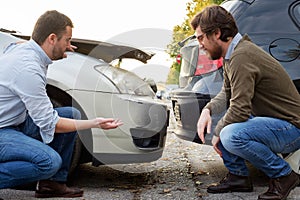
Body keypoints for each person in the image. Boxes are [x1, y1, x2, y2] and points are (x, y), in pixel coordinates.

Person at [0, 10, 123, 198]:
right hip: (3, 130)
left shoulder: (24, 49)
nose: (69, 45)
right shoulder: (28, 68)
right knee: (48, 162)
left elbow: (22, 46)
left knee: (70, 114)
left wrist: (59, 52)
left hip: (16, 123)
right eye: (67, 40)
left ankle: (51, 184)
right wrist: (95, 123)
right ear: (51, 38)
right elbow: (51, 124)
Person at [193, 5, 300, 200]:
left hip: (292, 129)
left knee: (231, 134)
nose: (199, 44)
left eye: (201, 37)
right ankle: (238, 177)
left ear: (216, 33)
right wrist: (207, 110)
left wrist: (218, 134)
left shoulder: (242, 56)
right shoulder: (233, 56)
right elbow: (227, 93)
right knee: (224, 121)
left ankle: (284, 175)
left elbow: (240, 110)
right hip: (274, 122)